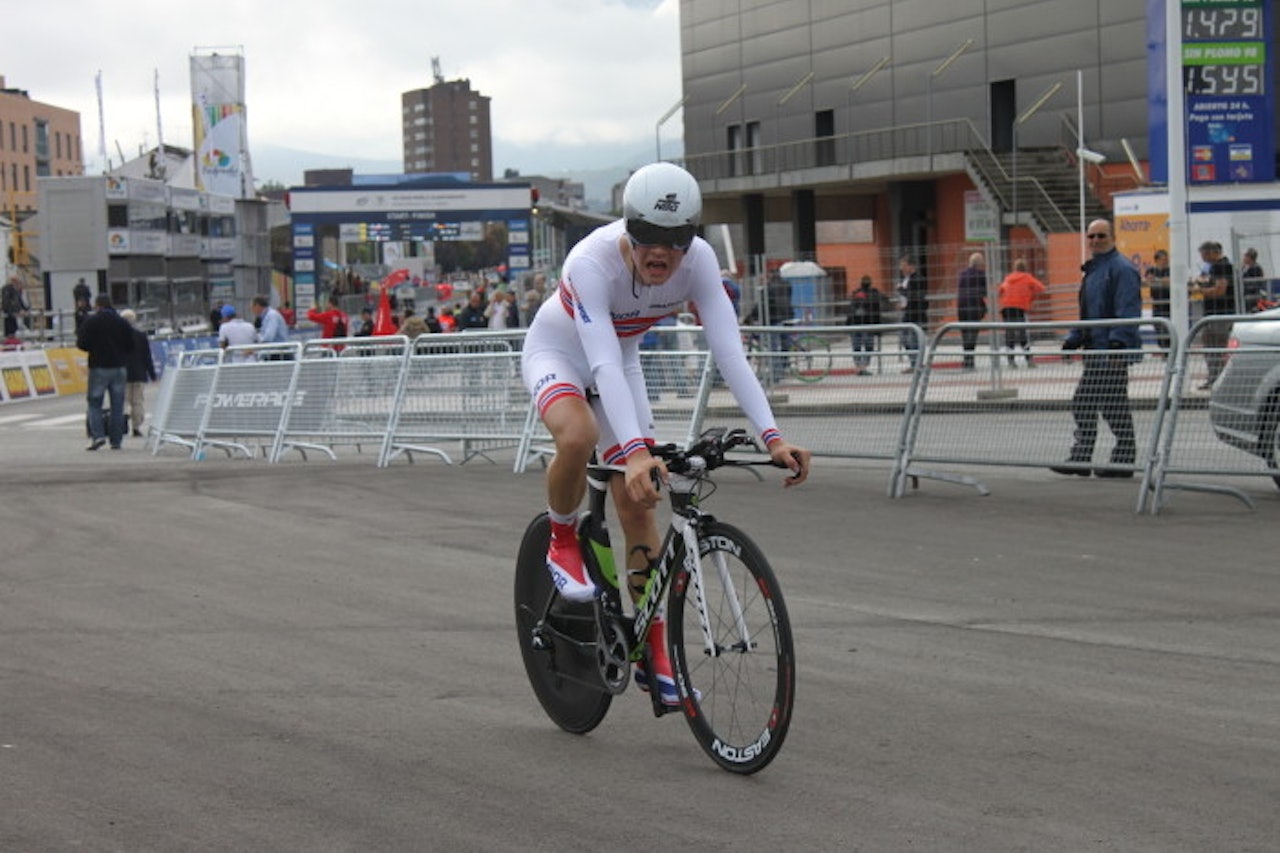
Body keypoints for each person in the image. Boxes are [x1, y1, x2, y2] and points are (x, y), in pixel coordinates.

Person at [519, 162, 811, 708]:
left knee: (640, 502)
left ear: (692, 239)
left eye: (675, 241)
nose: (661, 253)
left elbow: (729, 351)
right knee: (579, 436)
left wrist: (772, 436)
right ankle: (562, 537)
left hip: (619, 363)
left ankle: (655, 657)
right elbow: (599, 360)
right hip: (560, 354)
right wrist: (632, 453)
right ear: (628, 231)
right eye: (648, 238)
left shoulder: (698, 262)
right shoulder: (591, 262)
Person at [1051, 219, 1141, 479]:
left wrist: (1118, 343)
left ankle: (1097, 457)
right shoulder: (1095, 270)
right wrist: (1075, 337)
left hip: (1109, 352)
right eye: (1091, 237)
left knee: (1098, 403)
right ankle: (1100, 457)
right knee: (1102, 403)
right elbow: (1089, 312)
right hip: (1096, 349)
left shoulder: (1121, 269)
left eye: (1101, 236)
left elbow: (1127, 308)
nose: (1095, 241)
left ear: (1112, 237)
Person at [76, 294, 135, 451]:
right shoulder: (122, 322)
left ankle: (98, 436)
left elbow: (81, 343)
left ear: (98, 306)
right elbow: (131, 344)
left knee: (95, 403)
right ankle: (116, 441)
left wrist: (93, 349)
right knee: (117, 405)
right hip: (119, 367)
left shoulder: (92, 322)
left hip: (98, 366)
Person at [1191, 240, 1235, 389]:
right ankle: (1216, 378)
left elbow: (1220, 290)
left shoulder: (1220, 267)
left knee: (1215, 347)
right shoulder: (1219, 267)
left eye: (1204, 254)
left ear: (1211, 253)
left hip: (1220, 314)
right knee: (1213, 347)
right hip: (1217, 314)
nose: (1203, 258)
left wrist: (1199, 291)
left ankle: (1217, 379)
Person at [996, 257, 1046, 367]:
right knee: (1022, 334)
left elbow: (1000, 291)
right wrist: (1031, 295)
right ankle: (1029, 360)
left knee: (1010, 334)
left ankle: (1011, 361)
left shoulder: (1008, 278)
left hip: (1006, 307)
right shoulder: (1027, 277)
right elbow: (1041, 288)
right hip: (1019, 307)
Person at [118, 309, 157, 437]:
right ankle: (136, 426)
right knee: (137, 401)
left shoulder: (118, 336)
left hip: (123, 372)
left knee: (124, 400)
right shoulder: (141, 336)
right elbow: (147, 356)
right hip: (139, 372)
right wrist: (152, 374)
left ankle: (122, 424)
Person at [845, 274, 883, 375]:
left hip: (855, 323)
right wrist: (878, 327)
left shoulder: (856, 293)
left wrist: (848, 323)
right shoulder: (874, 293)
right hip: (868, 323)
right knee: (868, 346)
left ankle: (858, 366)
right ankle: (863, 366)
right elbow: (877, 309)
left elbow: (850, 310)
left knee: (856, 346)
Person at [956, 252, 988, 370]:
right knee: (973, 334)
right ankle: (970, 359)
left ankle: (966, 359)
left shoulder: (962, 274)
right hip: (974, 307)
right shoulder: (981, 275)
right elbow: (985, 292)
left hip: (962, 307)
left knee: (965, 334)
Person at [896, 255, 928, 372]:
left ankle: (917, 364)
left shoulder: (917, 279)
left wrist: (901, 290)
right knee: (904, 338)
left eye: (904, 266)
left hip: (916, 313)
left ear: (911, 266)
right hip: (908, 313)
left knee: (914, 339)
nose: (901, 268)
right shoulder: (906, 279)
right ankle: (914, 362)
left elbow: (914, 295)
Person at [1144, 249, 1172, 354]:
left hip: (1169, 304)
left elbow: (1169, 281)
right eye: (1163, 259)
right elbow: (1148, 280)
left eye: (1166, 259)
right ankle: (1163, 349)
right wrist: (1158, 280)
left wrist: (1158, 280)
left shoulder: (1170, 270)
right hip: (1157, 303)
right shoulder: (1152, 270)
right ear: (1157, 260)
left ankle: (1170, 350)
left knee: (1169, 329)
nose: (1166, 261)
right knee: (1159, 327)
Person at [1240, 247, 1266, 312]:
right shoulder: (1247, 268)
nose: (1243, 258)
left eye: (1245, 256)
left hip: (1252, 295)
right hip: (1248, 294)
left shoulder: (1255, 268)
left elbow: (1254, 284)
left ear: (1249, 257)